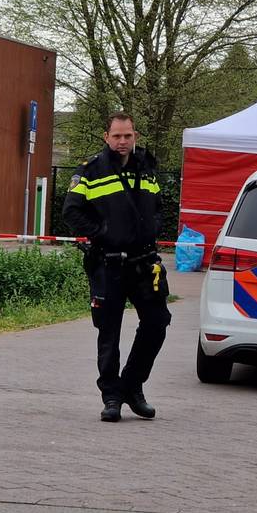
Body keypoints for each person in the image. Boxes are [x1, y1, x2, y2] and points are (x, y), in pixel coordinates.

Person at [63, 112, 171, 422]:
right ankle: (111, 397)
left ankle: (132, 386)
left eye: (127, 136)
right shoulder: (91, 170)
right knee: (109, 332)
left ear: (135, 136)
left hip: (144, 263)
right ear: (106, 137)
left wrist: (151, 229)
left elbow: (158, 208)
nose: (122, 141)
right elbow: (71, 211)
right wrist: (104, 233)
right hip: (108, 263)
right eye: (116, 136)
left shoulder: (146, 168)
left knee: (157, 322)